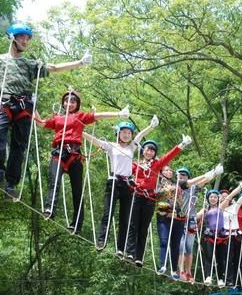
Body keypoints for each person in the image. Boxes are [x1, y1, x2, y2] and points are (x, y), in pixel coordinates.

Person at [0, 22, 91, 197]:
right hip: (5, 102)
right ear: (12, 38)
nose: (25, 41)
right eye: (22, 37)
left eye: (27, 38)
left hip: (23, 106)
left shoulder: (30, 64)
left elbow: (53, 68)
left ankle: (11, 183)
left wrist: (80, 63)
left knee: (19, 146)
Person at [37, 90, 128, 234]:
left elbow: (99, 115)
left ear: (77, 104)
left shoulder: (80, 117)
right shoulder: (57, 118)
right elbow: (41, 123)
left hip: (74, 155)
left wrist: (118, 114)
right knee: (54, 181)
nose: (69, 103)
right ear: (63, 103)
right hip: (59, 153)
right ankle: (50, 209)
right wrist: (33, 107)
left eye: (73, 101)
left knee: (77, 191)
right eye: (67, 101)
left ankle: (77, 224)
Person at [82, 116, 159, 252]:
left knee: (125, 218)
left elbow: (140, 136)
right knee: (108, 213)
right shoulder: (112, 146)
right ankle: (102, 239)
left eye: (129, 133)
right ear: (118, 133)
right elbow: (95, 141)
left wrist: (151, 126)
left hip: (128, 185)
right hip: (114, 181)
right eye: (124, 132)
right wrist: (81, 131)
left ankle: (121, 248)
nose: (126, 135)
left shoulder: (132, 147)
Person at [125, 135, 192, 267]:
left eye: (152, 150)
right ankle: (130, 252)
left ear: (154, 153)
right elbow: (125, 169)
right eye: (147, 150)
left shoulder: (156, 165)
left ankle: (139, 257)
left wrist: (182, 144)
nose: (149, 152)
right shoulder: (136, 164)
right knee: (133, 225)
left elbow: (169, 156)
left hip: (149, 199)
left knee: (143, 228)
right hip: (137, 196)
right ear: (143, 151)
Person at [155, 164, 223, 279]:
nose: (181, 176)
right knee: (179, 245)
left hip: (190, 218)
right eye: (179, 175)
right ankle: (179, 270)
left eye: (184, 175)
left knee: (189, 246)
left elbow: (203, 181)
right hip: (177, 216)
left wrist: (214, 173)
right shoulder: (173, 186)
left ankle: (188, 272)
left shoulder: (192, 187)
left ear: (187, 177)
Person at [197, 179, 242, 287]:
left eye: (215, 197)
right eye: (211, 197)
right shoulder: (205, 208)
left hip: (221, 235)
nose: (213, 199)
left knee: (221, 258)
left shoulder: (221, 207)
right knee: (209, 256)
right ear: (208, 199)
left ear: (218, 199)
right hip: (209, 235)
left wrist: (240, 187)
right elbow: (196, 216)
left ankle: (220, 278)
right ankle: (208, 276)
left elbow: (230, 196)